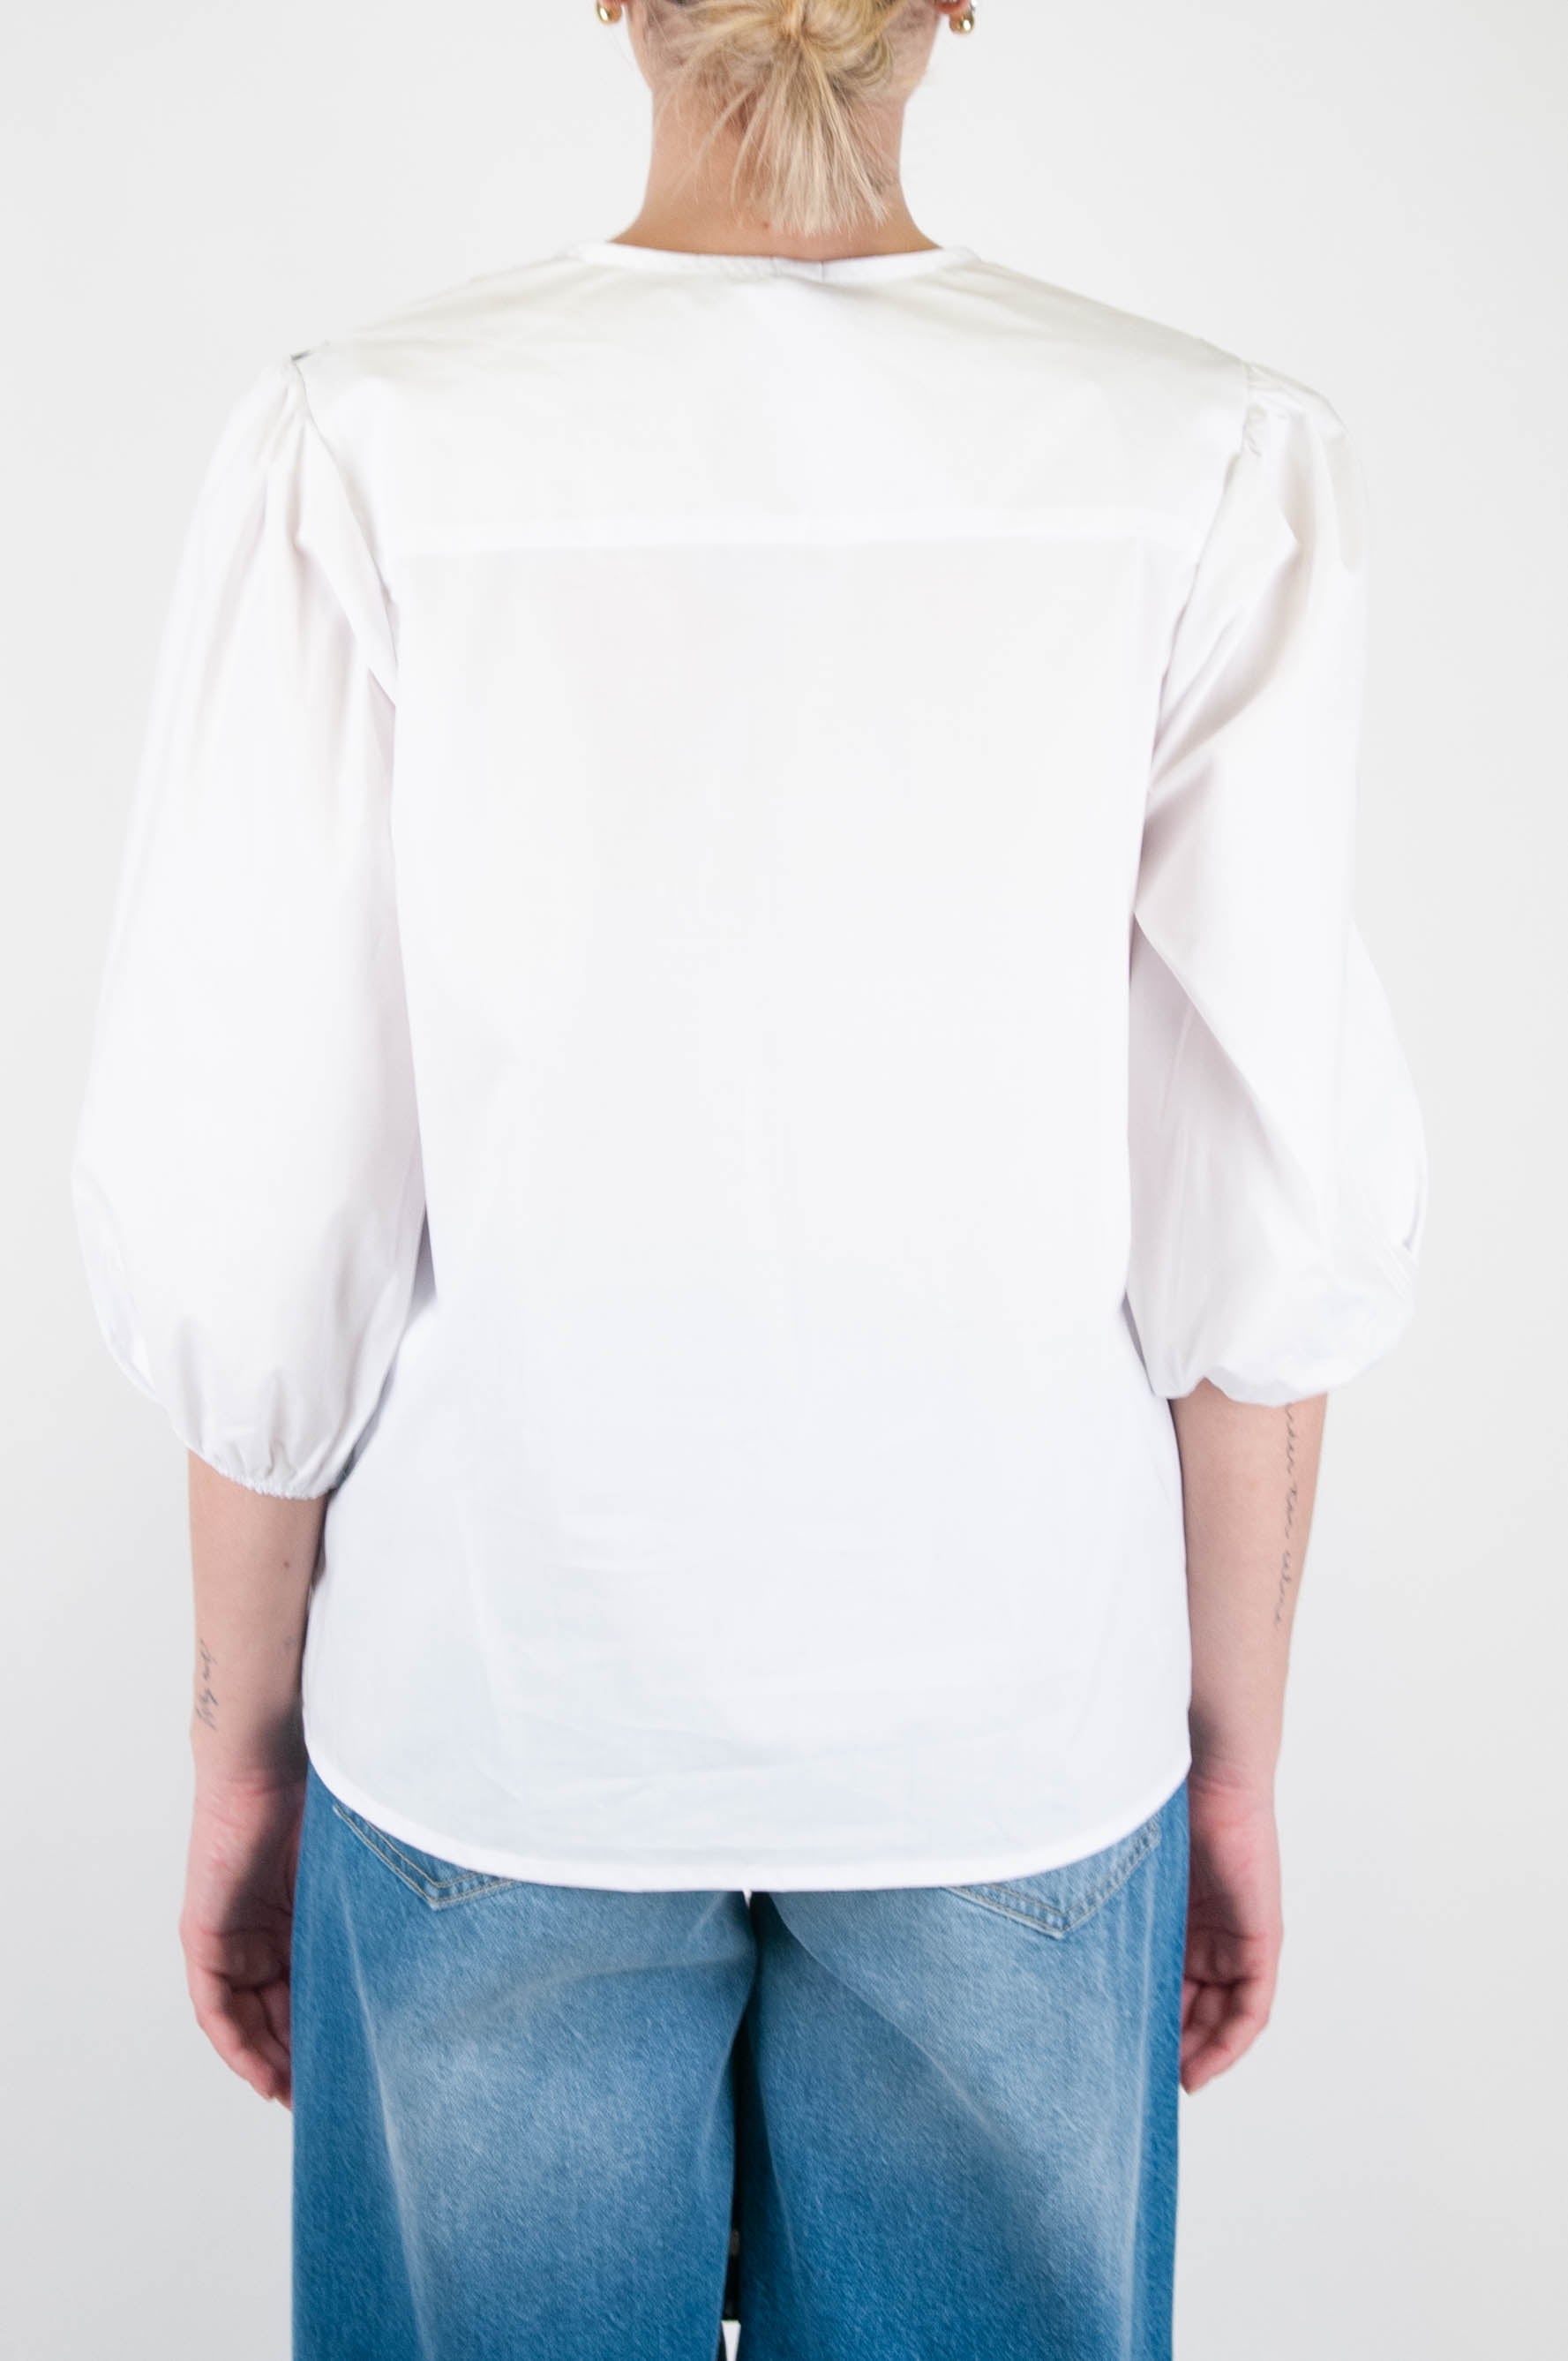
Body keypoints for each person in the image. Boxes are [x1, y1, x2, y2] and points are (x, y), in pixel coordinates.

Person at [68, 3, 1427, 2356]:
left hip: (499, 1711)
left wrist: (234, 1757)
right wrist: (1236, 1761)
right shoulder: (1204, 455)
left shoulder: (366, 442)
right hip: (1014, 1720)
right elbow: (1261, 1201)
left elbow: (263, 1201)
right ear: (953, 8)